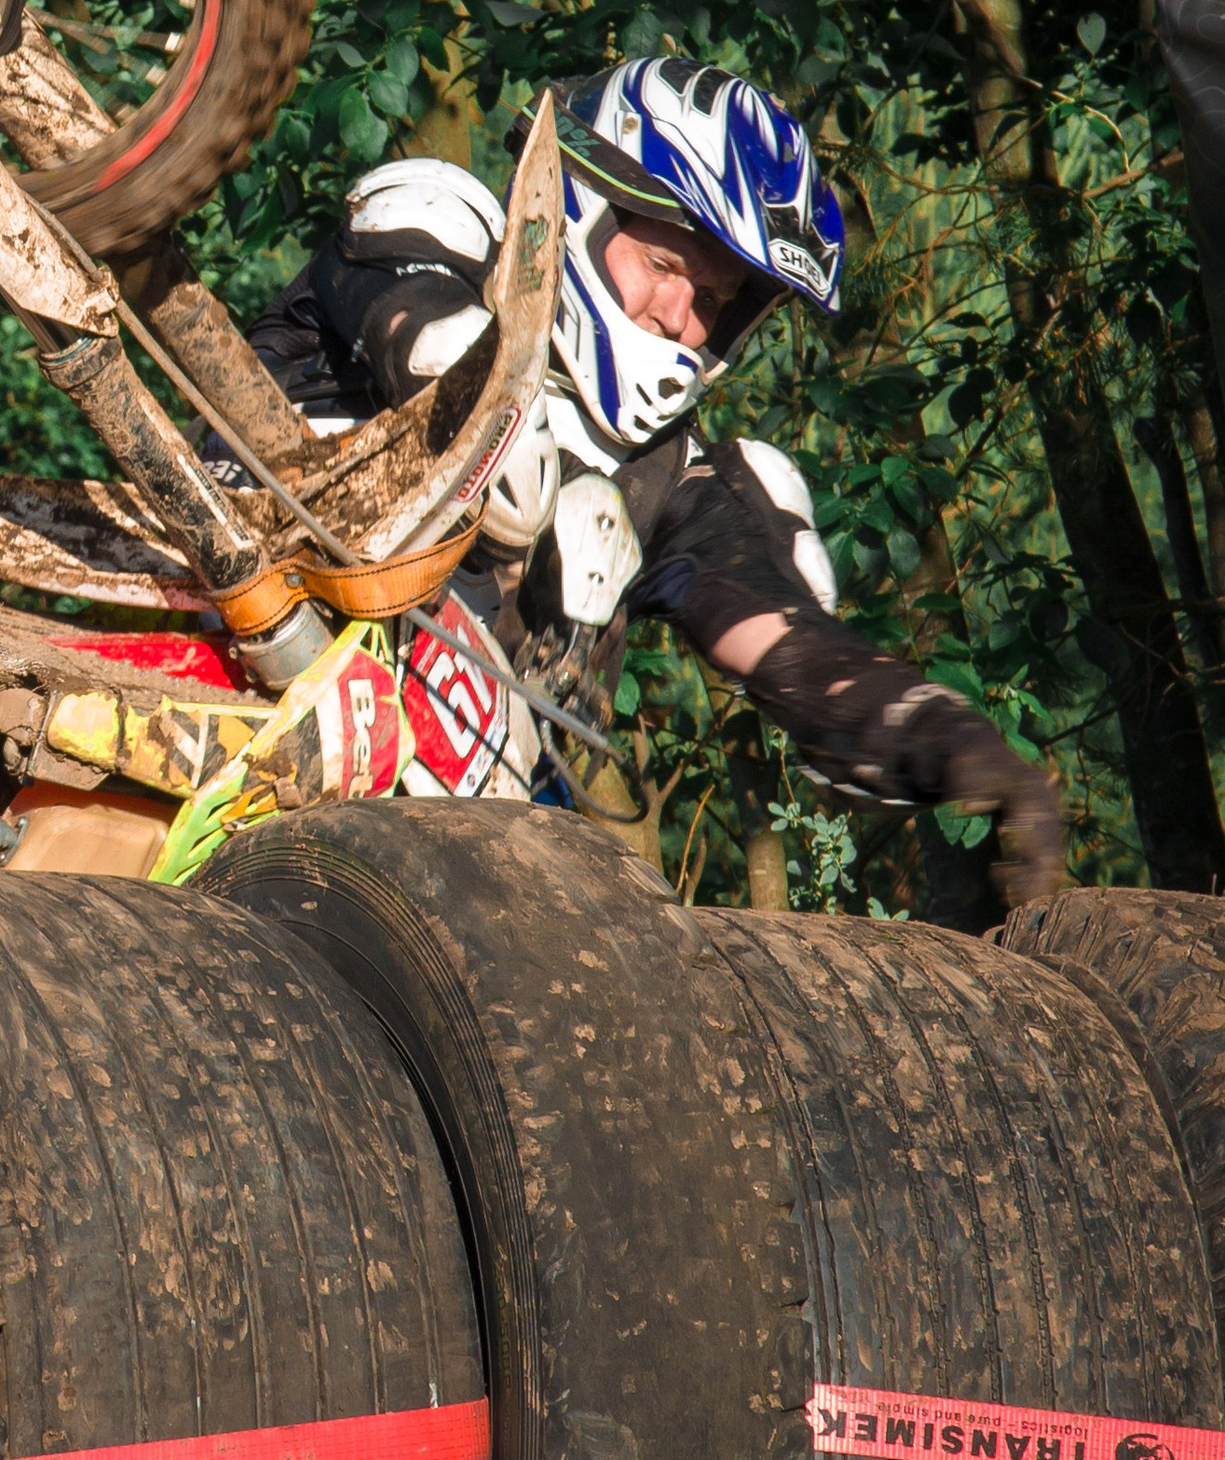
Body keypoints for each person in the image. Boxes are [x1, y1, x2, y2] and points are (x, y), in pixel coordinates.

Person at [246, 56, 1066, 904]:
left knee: (714, 499)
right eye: (666, 266)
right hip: (217, 645)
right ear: (585, 210)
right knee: (516, 456)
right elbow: (419, 342)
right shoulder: (436, 232)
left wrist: (958, 744)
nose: (680, 319)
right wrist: (496, 412)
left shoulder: (667, 477)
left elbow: (798, 656)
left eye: (713, 299)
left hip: (440, 872)